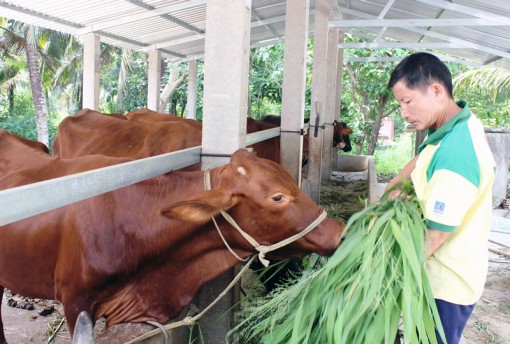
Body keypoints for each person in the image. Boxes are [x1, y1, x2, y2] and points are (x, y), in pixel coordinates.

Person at [385, 52, 495, 343]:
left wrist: (382, 273)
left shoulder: (454, 154)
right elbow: (419, 162)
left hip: (445, 283)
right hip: (444, 270)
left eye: (407, 101)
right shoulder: (456, 124)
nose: (404, 112)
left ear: (436, 90)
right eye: (400, 104)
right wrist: (395, 186)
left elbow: (434, 237)